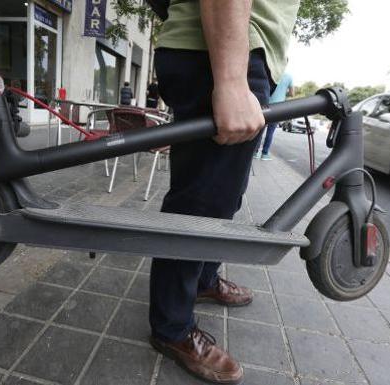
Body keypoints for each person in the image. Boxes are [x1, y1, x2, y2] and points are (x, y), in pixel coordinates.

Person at [149, 1, 300, 384]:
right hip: (221, 54)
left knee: (221, 198)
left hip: (222, 47)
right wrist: (231, 80)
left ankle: (202, 280)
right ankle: (171, 328)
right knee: (198, 207)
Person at [253, 73, 294, 160]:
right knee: (270, 132)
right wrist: (283, 92)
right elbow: (292, 94)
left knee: (260, 130)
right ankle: (265, 154)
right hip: (278, 108)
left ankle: (255, 152)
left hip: (266, 105)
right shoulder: (289, 77)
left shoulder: (272, 72)